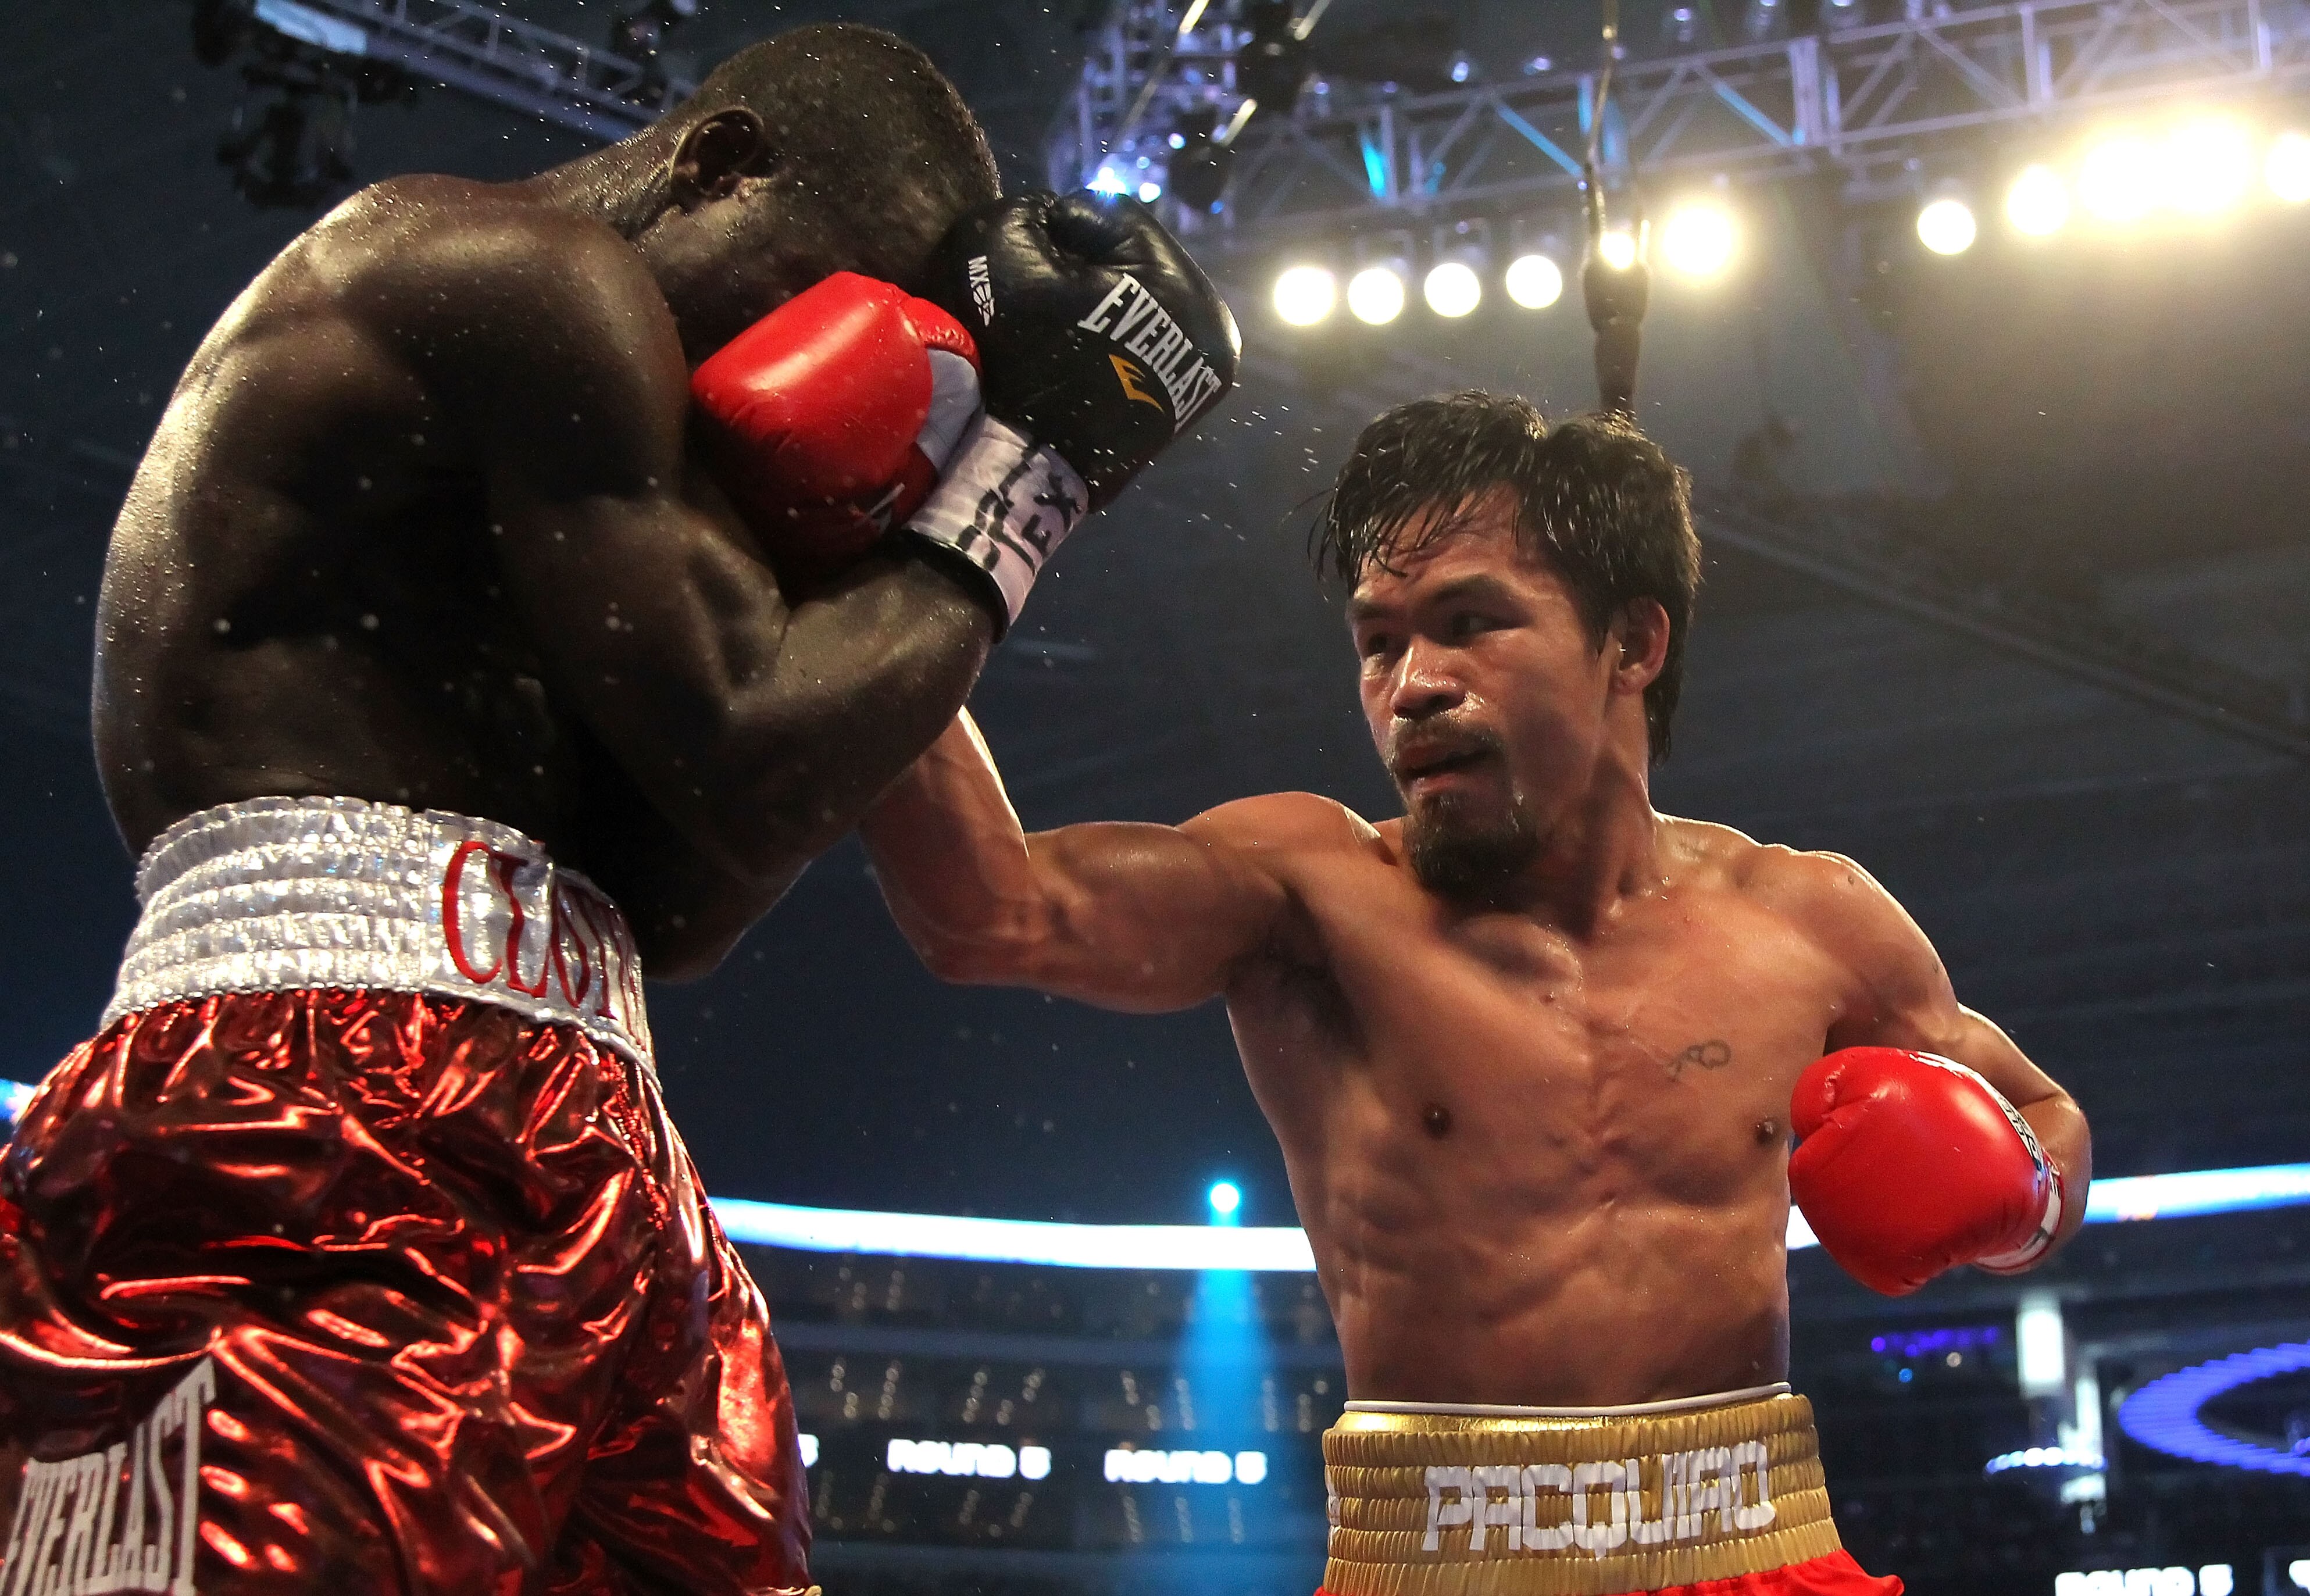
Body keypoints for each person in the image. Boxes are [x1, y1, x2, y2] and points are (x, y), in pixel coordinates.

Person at [0, 22, 1236, 1596]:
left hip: (589, 1113)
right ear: (720, 164)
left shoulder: (615, 485)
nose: (845, 361)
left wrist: (860, 558)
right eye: (828, 294)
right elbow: (750, 741)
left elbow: (688, 894)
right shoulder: (515, 270)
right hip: (306, 1096)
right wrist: (1031, 474)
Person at [859, 393, 2091, 1596]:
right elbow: (992, 912)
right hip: (1437, 1561)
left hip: (1757, 1549)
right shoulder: (1314, 895)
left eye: (1470, 622)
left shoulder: (1808, 916)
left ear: (1633, 642)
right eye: (1379, 640)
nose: (1413, 684)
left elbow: (2043, 1113)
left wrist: (2018, 1199)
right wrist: (891, 555)